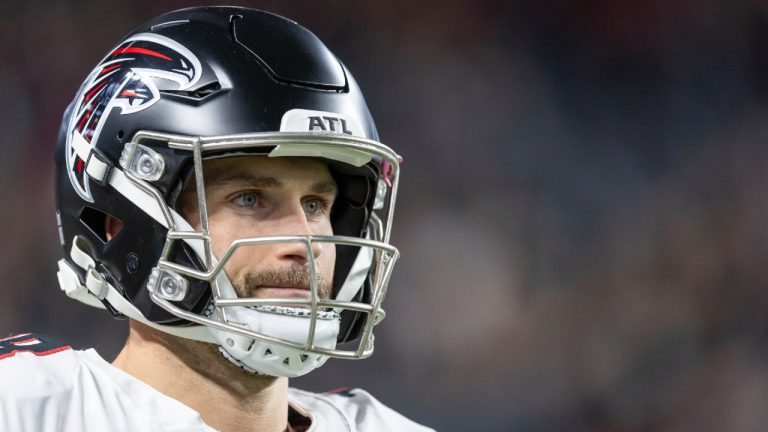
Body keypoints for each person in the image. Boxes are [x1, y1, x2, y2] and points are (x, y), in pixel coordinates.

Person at [0, 6, 433, 432]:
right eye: (249, 199)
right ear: (119, 224)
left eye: (316, 205)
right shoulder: (27, 407)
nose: (305, 242)